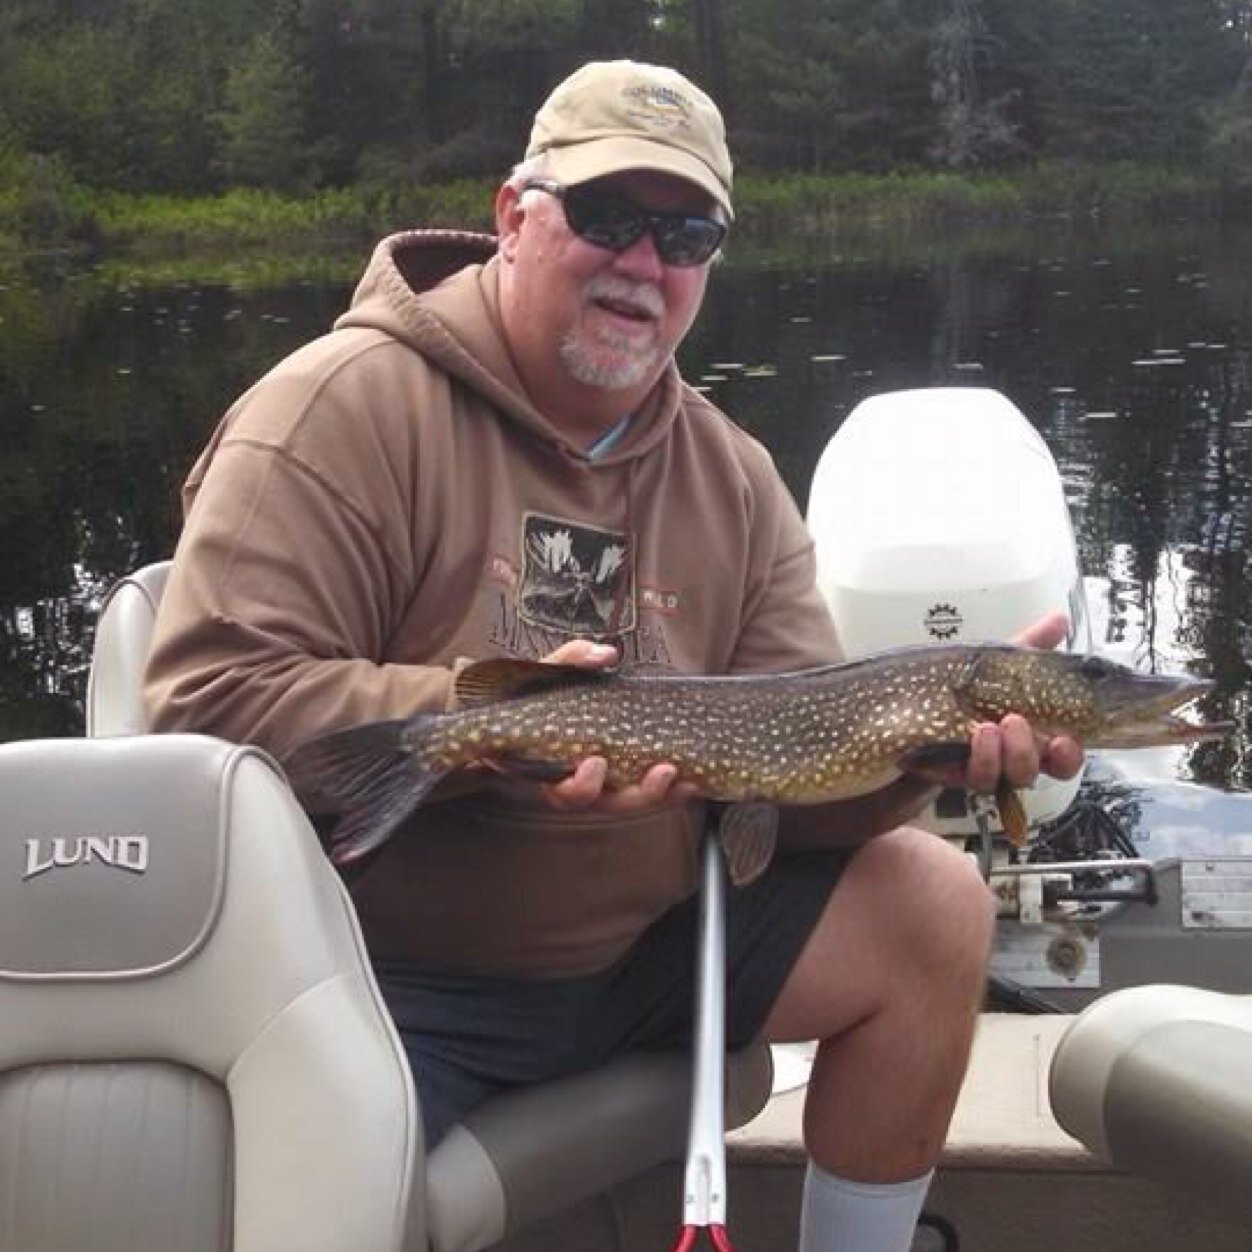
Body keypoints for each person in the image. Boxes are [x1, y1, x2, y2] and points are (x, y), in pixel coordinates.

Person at [145, 59, 1083, 1252]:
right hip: (379, 985)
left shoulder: (733, 476)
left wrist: (918, 762)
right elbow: (200, 710)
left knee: (935, 902)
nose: (644, 262)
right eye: (607, 217)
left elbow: (786, 798)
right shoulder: (337, 410)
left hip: (652, 950)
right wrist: (486, 731)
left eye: (684, 233)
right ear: (512, 215)